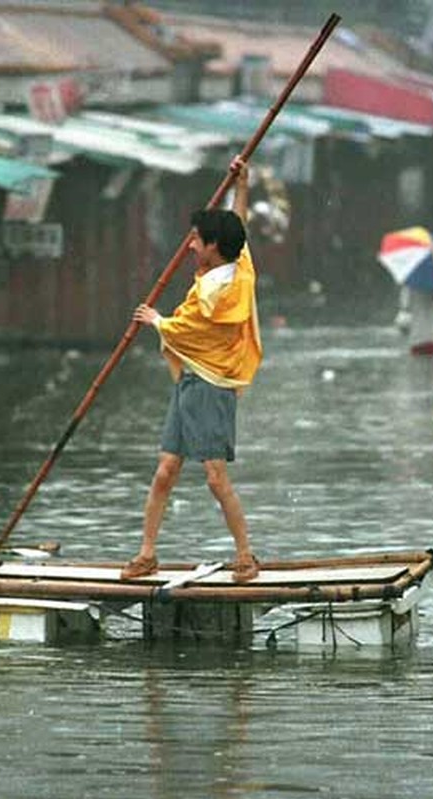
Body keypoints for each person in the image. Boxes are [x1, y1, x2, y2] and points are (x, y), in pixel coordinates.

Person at [121, 156, 263, 584]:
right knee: (166, 470)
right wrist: (242, 184)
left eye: (196, 240)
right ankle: (146, 554)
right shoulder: (234, 262)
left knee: (215, 478)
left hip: (211, 386)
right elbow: (237, 225)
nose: (190, 246)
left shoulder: (221, 289)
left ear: (214, 247)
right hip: (189, 383)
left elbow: (188, 329)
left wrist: (157, 322)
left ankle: (246, 556)